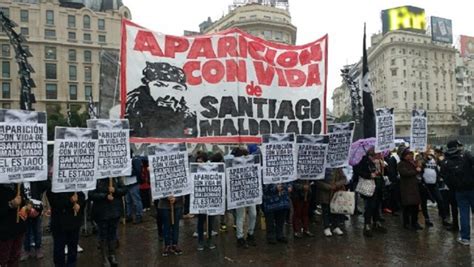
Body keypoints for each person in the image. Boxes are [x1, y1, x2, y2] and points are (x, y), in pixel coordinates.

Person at [441, 140, 474, 246]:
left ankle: (465, 238)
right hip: (472, 188)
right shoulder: (466, 155)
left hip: (459, 191)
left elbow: (445, 177)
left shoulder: (445, 161)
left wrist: (453, 188)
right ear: (457, 147)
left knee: (464, 214)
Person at [89, 177, 127, 266]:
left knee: (112, 233)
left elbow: (124, 190)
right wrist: (105, 195)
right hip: (101, 212)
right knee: (103, 234)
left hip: (115, 211)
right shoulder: (96, 179)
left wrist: (115, 190)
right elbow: (91, 195)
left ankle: (112, 255)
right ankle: (104, 256)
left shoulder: (116, 178)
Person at [47, 191, 86, 267]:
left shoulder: (75, 186)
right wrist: (69, 201)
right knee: (59, 249)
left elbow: (82, 197)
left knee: (73, 248)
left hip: (74, 222)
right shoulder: (54, 187)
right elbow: (54, 202)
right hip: (59, 224)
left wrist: (79, 204)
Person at [353, 149, 387, 237]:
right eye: (379, 153)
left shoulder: (379, 161)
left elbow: (380, 174)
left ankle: (376, 222)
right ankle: (367, 225)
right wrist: (369, 175)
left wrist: (382, 168)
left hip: (378, 186)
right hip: (369, 186)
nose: (380, 154)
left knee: (377, 205)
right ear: (373, 154)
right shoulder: (364, 161)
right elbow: (358, 171)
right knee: (369, 206)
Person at [0, 184, 29, 267]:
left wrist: (27, 206)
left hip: (18, 229)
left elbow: (24, 200)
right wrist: (10, 204)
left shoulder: (18, 183)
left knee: (15, 257)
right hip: (3, 232)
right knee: (3, 258)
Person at [420, 150, 450, 227]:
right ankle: (427, 219)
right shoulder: (421, 160)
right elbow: (420, 167)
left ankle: (444, 218)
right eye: (429, 153)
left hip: (434, 184)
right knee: (424, 202)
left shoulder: (434, 160)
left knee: (440, 200)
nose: (430, 154)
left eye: (432, 153)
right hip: (425, 185)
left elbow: (438, 168)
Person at [194, 152, 216, 251]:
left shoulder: (211, 170)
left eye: (201, 161)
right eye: (197, 162)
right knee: (200, 222)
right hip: (200, 200)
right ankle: (200, 241)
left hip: (210, 199)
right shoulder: (194, 171)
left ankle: (210, 239)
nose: (199, 163)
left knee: (210, 222)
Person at [21, 181, 47, 261]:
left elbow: (45, 185)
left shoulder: (36, 182)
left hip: (36, 209)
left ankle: (38, 248)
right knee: (26, 231)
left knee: (37, 230)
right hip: (24, 209)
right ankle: (26, 250)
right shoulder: (19, 183)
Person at [316, 168, 347, 237]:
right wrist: (328, 187)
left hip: (335, 193)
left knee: (336, 210)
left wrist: (336, 184)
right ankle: (326, 227)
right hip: (325, 193)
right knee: (326, 211)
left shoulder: (338, 168)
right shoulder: (322, 168)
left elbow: (344, 179)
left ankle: (336, 226)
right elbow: (317, 182)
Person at [398, 148, 423, 231]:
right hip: (406, 188)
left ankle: (415, 222)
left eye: (412, 154)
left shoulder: (413, 163)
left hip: (414, 188)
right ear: (405, 156)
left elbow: (420, 169)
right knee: (407, 207)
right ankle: (406, 223)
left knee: (415, 207)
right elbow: (405, 173)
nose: (411, 156)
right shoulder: (401, 164)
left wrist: (419, 165)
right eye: (409, 154)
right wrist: (416, 171)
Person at [436, 148, 459, 232]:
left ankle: (455, 224)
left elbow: (442, 173)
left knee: (452, 206)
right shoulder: (460, 160)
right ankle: (456, 224)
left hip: (449, 187)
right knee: (456, 207)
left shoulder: (446, 162)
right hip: (457, 187)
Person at [125, 152, 144, 224]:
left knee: (136, 200)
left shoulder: (134, 160)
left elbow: (138, 171)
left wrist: (127, 172)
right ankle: (129, 215)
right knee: (128, 201)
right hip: (126, 183)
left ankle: (139, 215)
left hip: (134, 183)